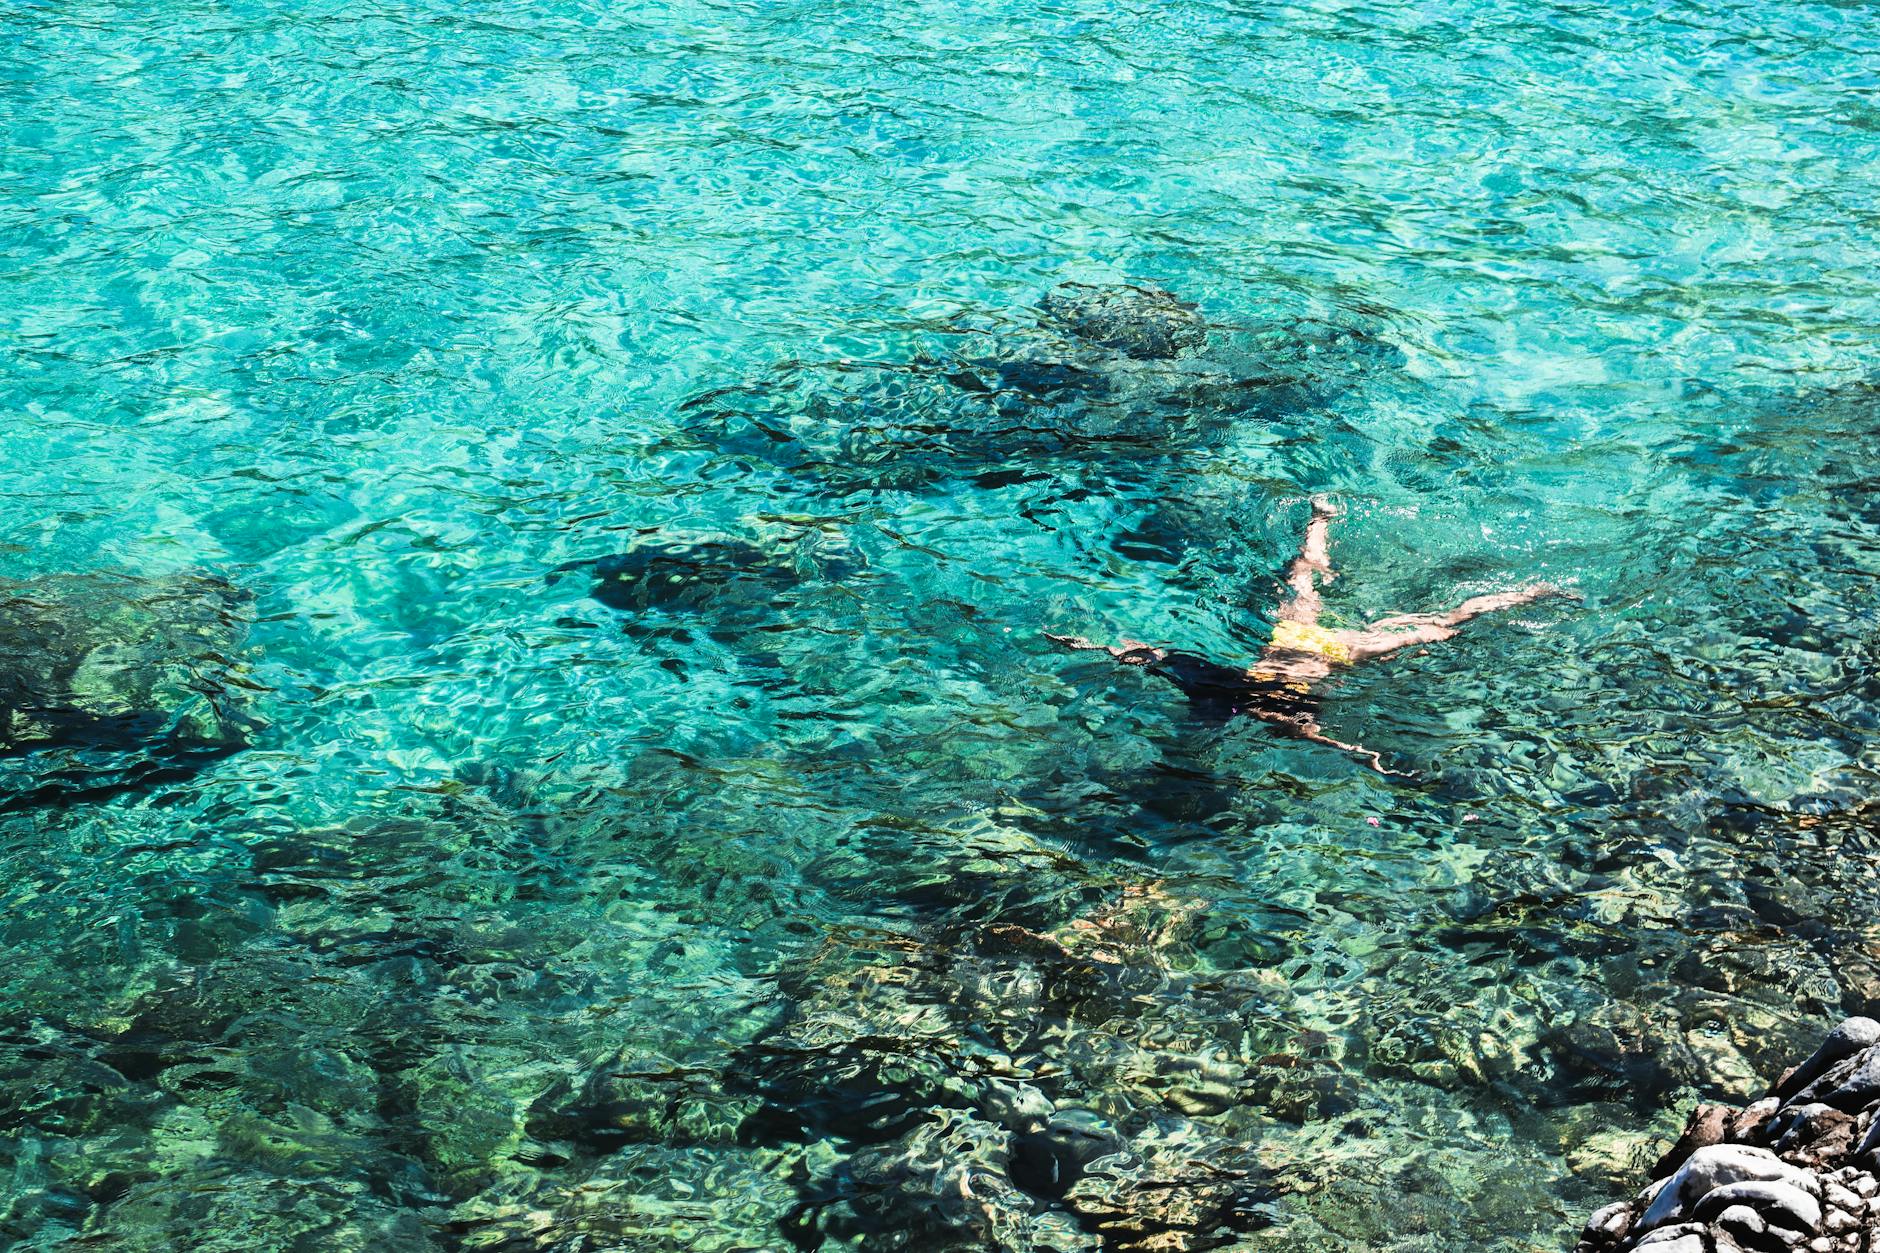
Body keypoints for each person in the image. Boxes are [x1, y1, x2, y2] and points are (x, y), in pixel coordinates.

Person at [1047, 495, 1574, 775]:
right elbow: (1157, 654)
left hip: (1334, 650)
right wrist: (1096, 647)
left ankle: (1527, 594)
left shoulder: (1254, 706)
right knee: (1316, 578)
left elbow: (1312, 734)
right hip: (1297, 639)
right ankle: (1321, 518)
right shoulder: (1237, 693)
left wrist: (1358, 754)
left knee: (1439, 627)